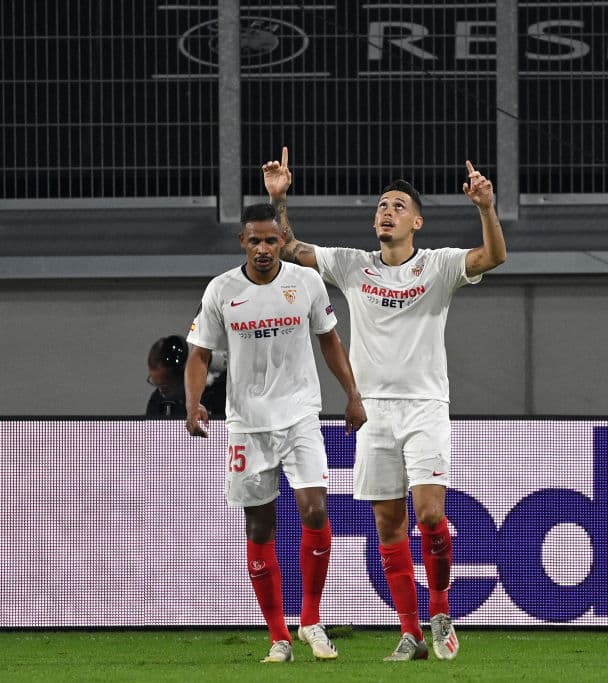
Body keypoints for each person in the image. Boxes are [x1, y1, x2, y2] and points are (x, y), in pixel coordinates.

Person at [261, 147, 506, 661]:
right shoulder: (354, 266)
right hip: (372, 410)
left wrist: (486, 207)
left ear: (417, 221)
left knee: (430, 515)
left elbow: (493, 257)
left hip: (424, 406)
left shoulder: (438, 266)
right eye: (381, 205)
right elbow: (290, 249)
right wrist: (279, 199)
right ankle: (411, 633)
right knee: (389, 526)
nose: (387, 211)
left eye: (398, 206)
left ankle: (440, 610)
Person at [184, 203, 367, 664]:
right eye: (255, 240)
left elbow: (330, 340)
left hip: (300, 414)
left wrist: (353, 395)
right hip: (247, 424)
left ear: (282, 241)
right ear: (242, 242)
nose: (264, 248)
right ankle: (278, 637)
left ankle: (311, 620)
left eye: (271, 240)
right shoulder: (221, 290)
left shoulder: (305, 283)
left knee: (315, 510)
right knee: (259, 525)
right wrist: (193, 403)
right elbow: (199, 353)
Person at [145, 335, 226, 419]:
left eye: (164, 385)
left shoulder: (219, 395)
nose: (161, 391)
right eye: (155, 383)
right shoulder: (157, 403)